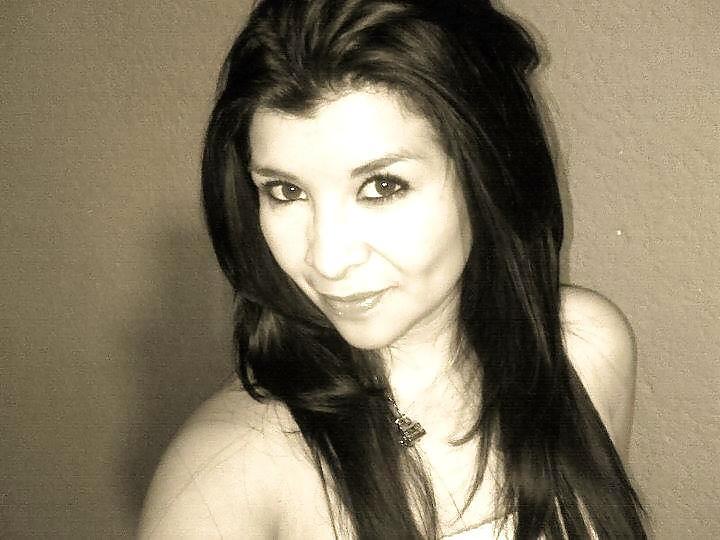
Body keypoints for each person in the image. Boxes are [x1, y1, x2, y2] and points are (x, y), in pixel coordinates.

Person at [139, 0, 647, 537]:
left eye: (382, 186)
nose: (328, 260)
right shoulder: (222, 478)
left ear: (489, 175)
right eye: (285, 191)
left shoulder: (582, 348)